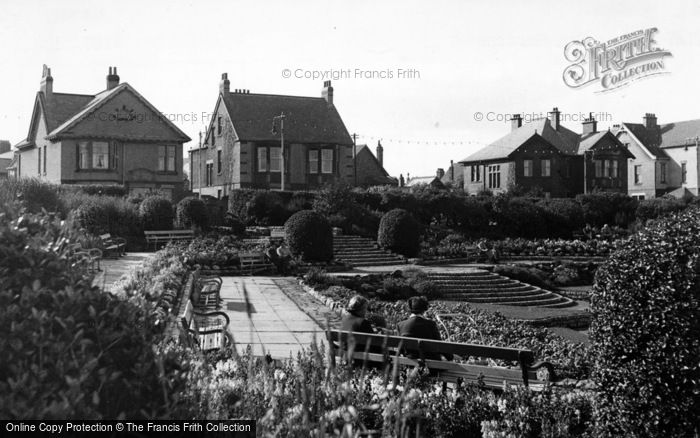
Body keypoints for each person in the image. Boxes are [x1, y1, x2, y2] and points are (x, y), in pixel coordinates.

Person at [397, 296, 453, 360]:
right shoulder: (430, 324)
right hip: (430, 365)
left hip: (410, 363)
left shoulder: (400, 325)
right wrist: (451, 357)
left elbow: (400, 349)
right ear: (424, 309)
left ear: (409, 309)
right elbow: (439, 346)